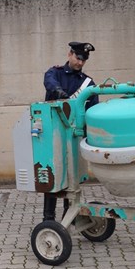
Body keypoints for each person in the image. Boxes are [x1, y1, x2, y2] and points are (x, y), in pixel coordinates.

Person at [41, 41, 98, 222]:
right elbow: (49, 83)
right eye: (78, 58)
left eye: (84, 60)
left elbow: (92, 111)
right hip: (53, 135)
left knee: (72, 177)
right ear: (70, 54)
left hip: (74, 136)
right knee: (53, 176)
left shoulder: (88, 83)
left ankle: (69, 216)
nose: (80, 63)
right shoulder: (55, 73)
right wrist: (60, 93)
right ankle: (48, 220)